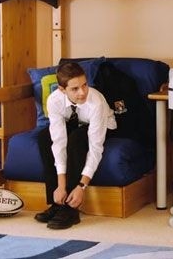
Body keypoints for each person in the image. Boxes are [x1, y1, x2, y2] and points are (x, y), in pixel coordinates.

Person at [35, 62, 117, 229]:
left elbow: (95, 148)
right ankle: (57, 203)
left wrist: (81, 186)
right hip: (76, 122)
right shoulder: (54, 100)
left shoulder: (96, 103)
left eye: (84, 85)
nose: (82, 92)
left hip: (104, 126)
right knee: (45, 137)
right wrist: (60, 185)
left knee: (77, 139)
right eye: (75, 89)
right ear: (62, 89)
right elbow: (58, 142)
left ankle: (71, 209)